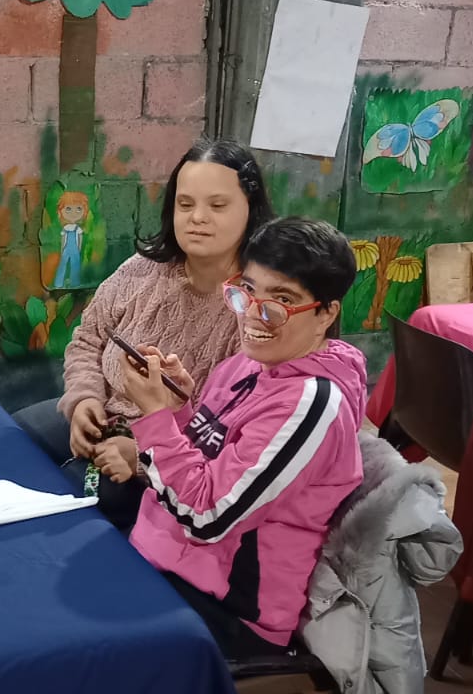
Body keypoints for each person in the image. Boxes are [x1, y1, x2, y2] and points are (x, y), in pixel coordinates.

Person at [108, 216, 367, 659]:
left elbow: (206, 516)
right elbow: (207, 462)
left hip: (226, 608)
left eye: (281, 300)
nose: (252, 314)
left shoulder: (311, 404)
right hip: (165, 554)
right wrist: (177, 407)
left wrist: (154, 416)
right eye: (247, 291)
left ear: (326, 313)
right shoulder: (250, 363)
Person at [12, 138, 275, 527]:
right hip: (105, 417)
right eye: (185, 204)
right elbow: (87, 341)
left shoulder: (253, 309)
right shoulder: (142, 270)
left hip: (173, 460)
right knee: (12, 440)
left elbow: (229, 432)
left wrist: (141, 453)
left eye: (217, 205)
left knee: (61, 502)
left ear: (251, 210)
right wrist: (84, 400)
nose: (197, 217)